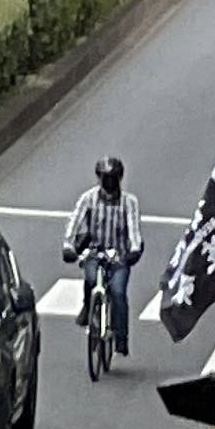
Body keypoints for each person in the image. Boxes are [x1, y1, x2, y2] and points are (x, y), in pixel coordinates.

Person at [62, 153, 145, 358]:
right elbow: (74, 221)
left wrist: (134, 250)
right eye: (104, 178)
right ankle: (87, 306)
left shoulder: (129, 202)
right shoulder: (88, 198)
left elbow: (134, 229)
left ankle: (121, 338)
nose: (108, 183)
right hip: (94, 251)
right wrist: (68, 245)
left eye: (113, 178)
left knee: (117, 293)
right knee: (91, 278)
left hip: (119, 256)